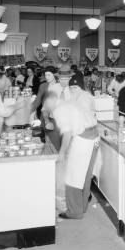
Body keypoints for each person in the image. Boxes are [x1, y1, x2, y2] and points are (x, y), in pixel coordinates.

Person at [42, 91, 99, 220]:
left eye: (46, 105)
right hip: (95, 137)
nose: (46, 109)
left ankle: (74, 212)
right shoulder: (68, 103)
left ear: (49, 101)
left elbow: (67, 133)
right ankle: (83, 206)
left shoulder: (59, 110)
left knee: (72, 176)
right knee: (85, 175)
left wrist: (62, 153)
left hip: (83, 139)